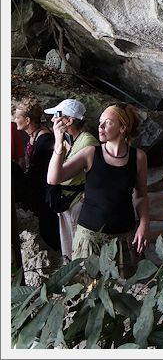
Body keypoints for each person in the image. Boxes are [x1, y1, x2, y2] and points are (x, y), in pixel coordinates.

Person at [46, 102, 149, 276]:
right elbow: (54, 178)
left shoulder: (138, 157)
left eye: (107, 122)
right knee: (89, 291)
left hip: (124, 235)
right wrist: (58, 145)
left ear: (122, 127)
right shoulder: (91, 153)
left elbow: (140, 195)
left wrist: (144, 224)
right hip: (89, 237)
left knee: (123, 293)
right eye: (100, 121)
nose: (100, 126)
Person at [43, 98, 100, 261]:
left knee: (78, 249)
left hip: (77, 203)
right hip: (67, 201)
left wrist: (86, 197)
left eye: (57, 115)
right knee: (68, 246)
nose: (53, 120)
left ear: (69, 120)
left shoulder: (88, 142)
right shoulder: (70, 139)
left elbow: (53, 177)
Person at [13, 97, 60, 251]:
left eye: (17, 116)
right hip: (38, 191)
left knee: (49, 230)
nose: (14, 119)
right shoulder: (34, 136)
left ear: (27, 120)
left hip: (45, 194)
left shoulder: (45, 140)